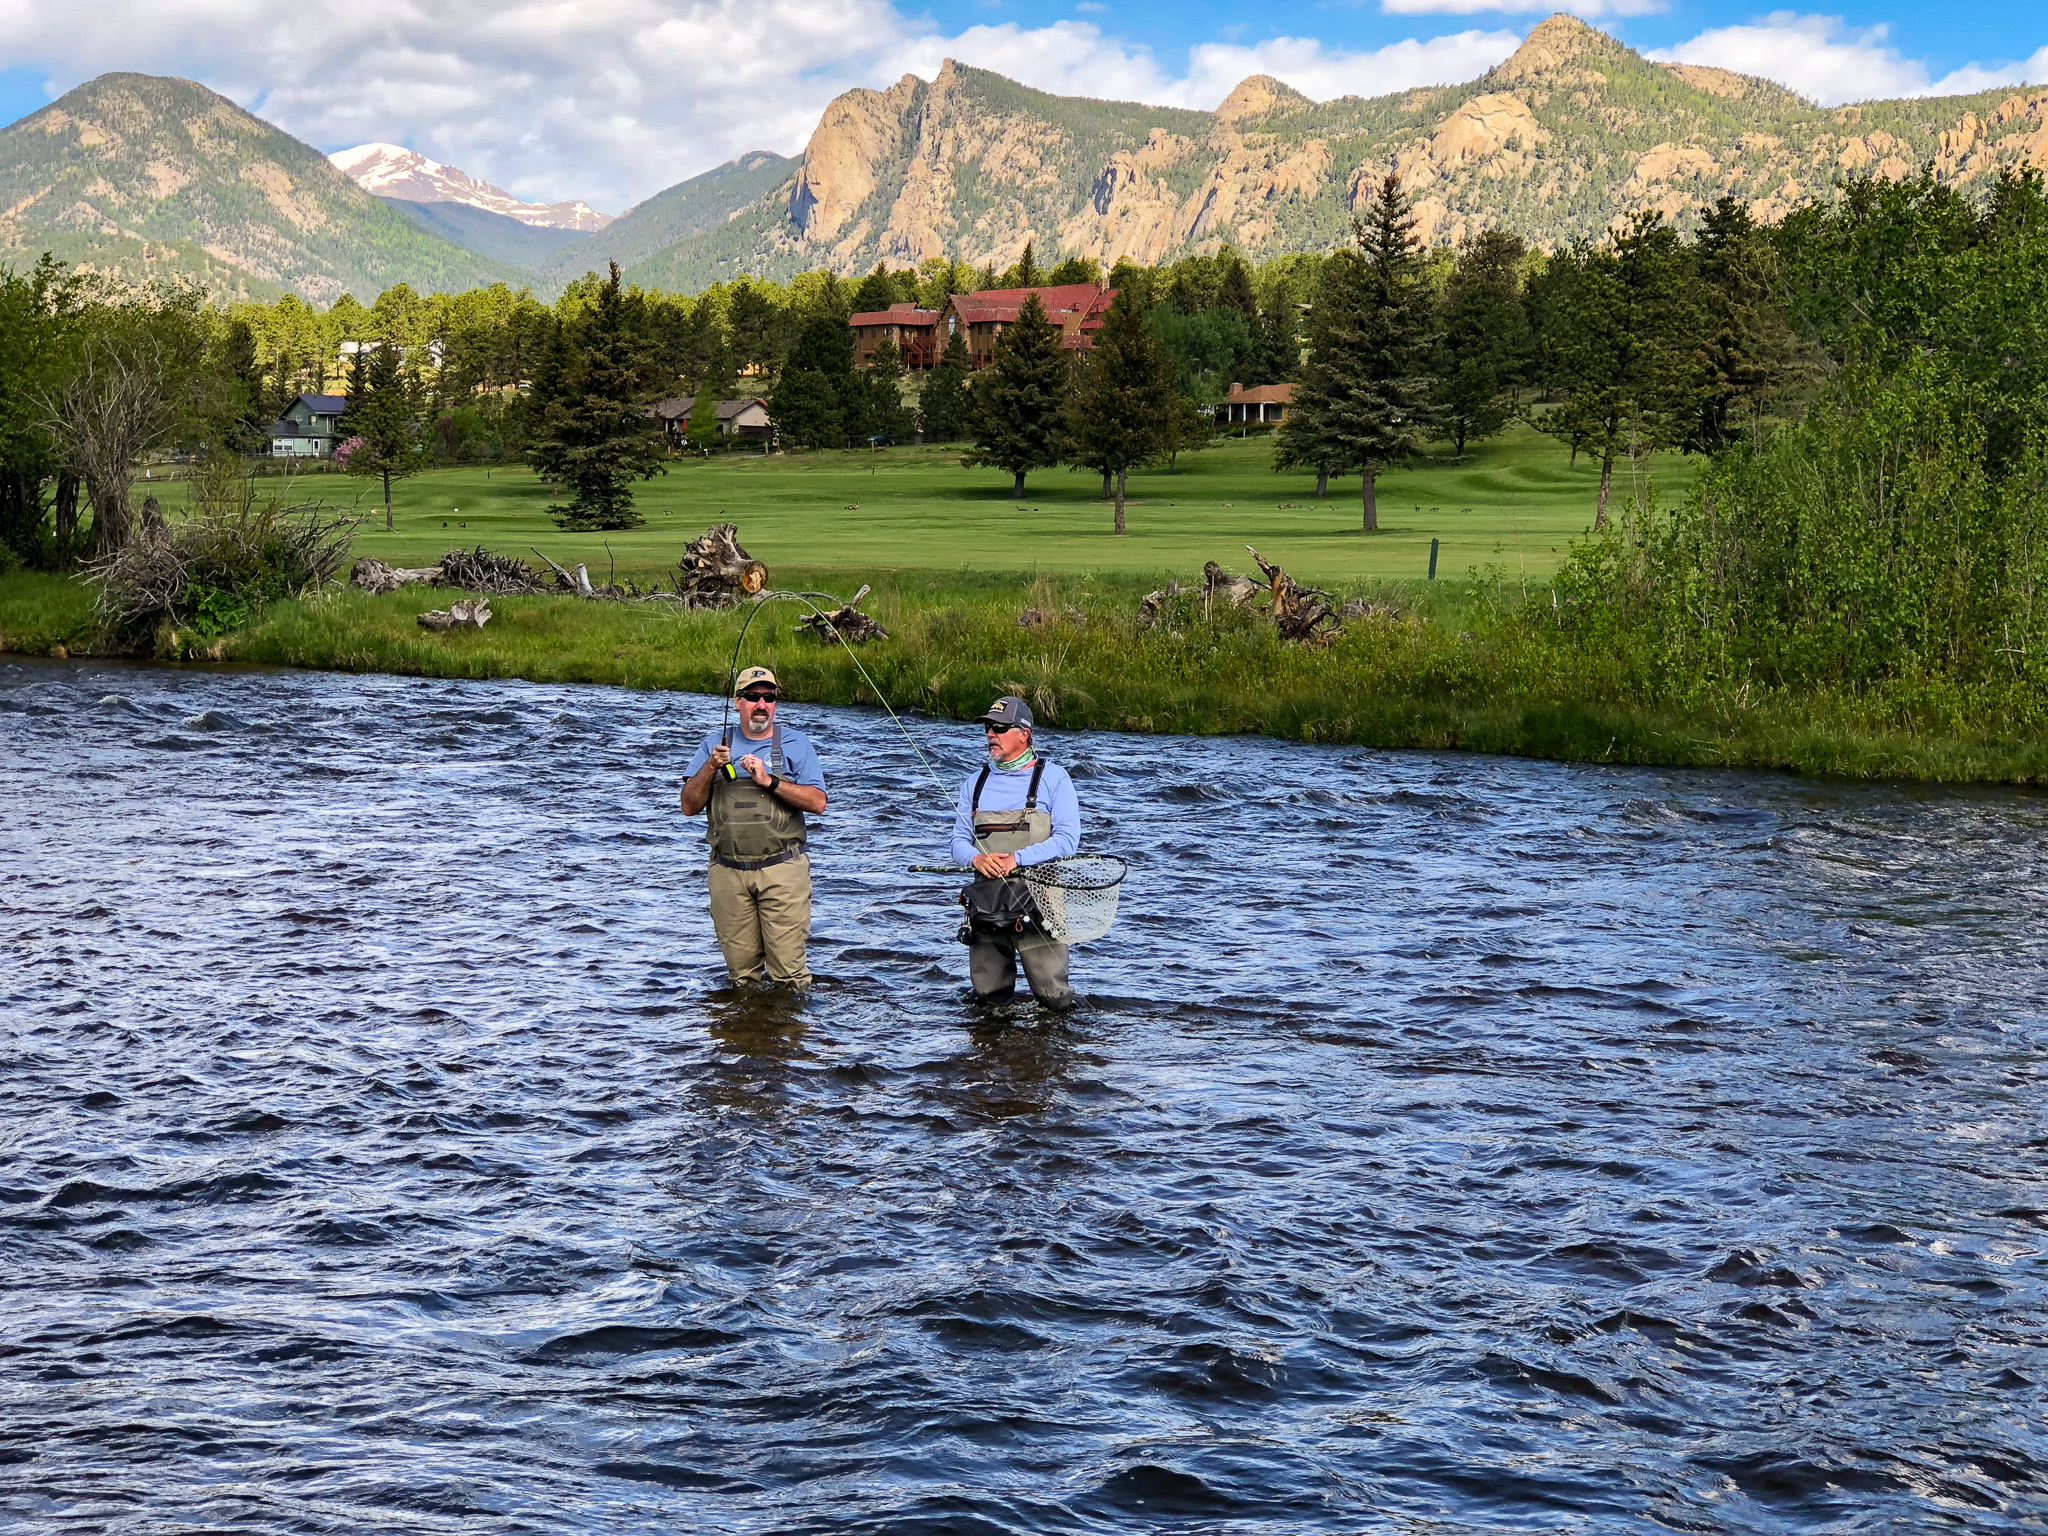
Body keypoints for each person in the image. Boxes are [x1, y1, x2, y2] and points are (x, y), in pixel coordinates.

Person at [679, 666, 829, 988]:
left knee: (790, 978)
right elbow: (688, 806)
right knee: (742, 980)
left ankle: (791, 1034)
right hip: (727, 873)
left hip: (782, 871)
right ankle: (747, 1034)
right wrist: (710, 767)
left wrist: (769, 780)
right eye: (752, 696)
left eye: (768, 697)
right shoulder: (712, 746)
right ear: (737, 702)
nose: (761, 704)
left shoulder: (796, 744)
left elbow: (818, 802)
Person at [951, 695, 1080, 1010]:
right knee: (988, 1003)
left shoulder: (1054, 778)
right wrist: (975, 858)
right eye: (988, 728)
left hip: (1040, 907)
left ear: (1024, 733)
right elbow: (957, 842)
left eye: (1000, 728)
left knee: (1055, 1003)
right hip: (985, 907)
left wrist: (1017, 859)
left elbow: (1068, 840)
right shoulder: (974, 783)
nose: (990, 735)